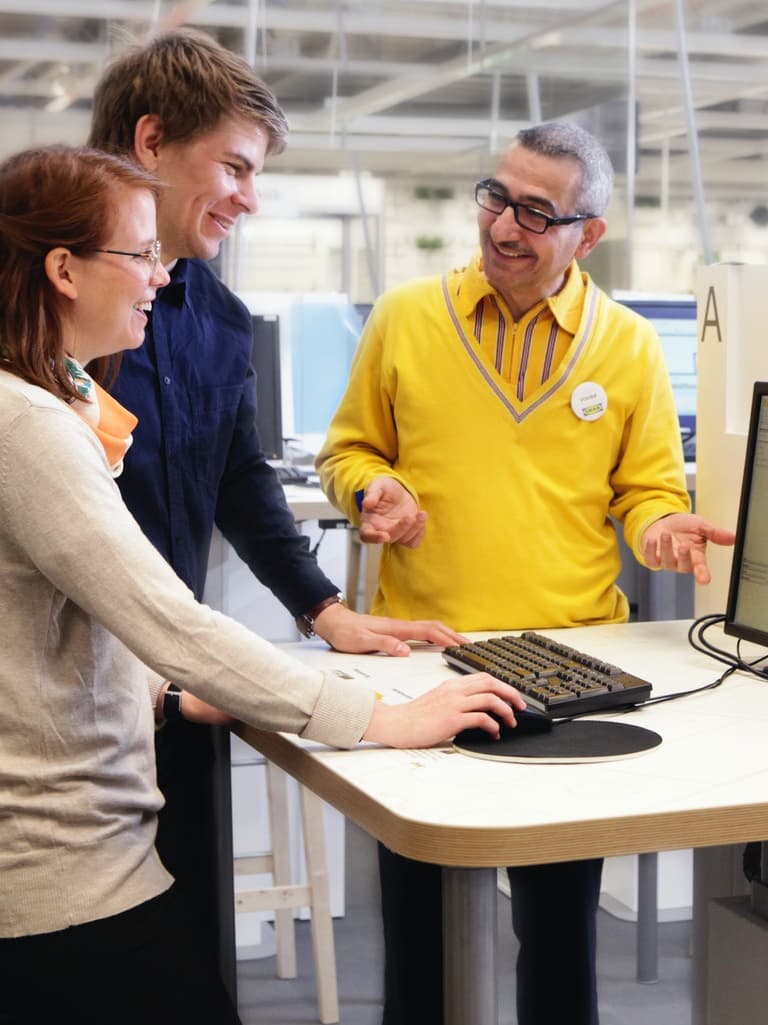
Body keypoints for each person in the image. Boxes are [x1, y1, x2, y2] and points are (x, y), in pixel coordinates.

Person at [0, 143, 525, 1025]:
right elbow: (168, 616)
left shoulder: (50, 403)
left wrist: (168, 698)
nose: (159, 279)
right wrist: (380, 719)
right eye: (139, 255)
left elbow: (43, 635)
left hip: (77, 862)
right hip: (63, 880)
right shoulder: (29, 427)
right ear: (63, 269)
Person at [316, 121, 736, 1025]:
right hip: (426, 660)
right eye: (497, 197)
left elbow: (647, 487)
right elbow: (346, 451)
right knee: (420, 927)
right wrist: (371, 487)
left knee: (558, 926)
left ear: (590, 233)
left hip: (567, 670)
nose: (505, 226)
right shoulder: (405, 317)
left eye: (537, 212)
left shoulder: (624, 345)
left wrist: (661, 526)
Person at [85, 28, 466, 1009]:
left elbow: (239, 479)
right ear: (152, 140)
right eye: (236, 168)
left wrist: (325, 611)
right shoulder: (46, 313)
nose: (249, 197)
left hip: (177, 697)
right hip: (74, 706)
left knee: (190, 957)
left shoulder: (210, 311)